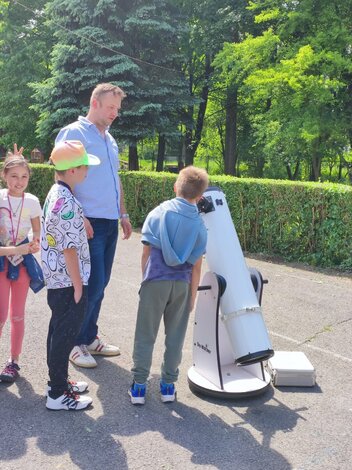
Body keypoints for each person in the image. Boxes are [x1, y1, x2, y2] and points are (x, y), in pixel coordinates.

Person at [55, 83, 133, 368]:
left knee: (101, 283)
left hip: (109, 221)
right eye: (111, 107)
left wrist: (122, 214)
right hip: (87, 222)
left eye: (118, 109)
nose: (115, 113)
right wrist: (78, 215)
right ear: (95, 102)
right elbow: (62, 177)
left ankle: (89, 337)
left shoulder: (110, 140)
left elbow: (115, 179)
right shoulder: (74, 133)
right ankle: (73, 343)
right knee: (89, 284)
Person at [129, 166, 209, 405]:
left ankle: (139, 387)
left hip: (155, 281)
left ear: (176, 187)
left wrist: (146, 279)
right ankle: (167, 386)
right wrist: (192, 296)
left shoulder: (158, 213)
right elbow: (196, 266)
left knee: (145, 334)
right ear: (200, 196)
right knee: (175, 336)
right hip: (182, 285)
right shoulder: (200, 226)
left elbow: (146, 253)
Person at [41, 140, 100, 411]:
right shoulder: (65, 201)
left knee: (58, 331)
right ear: (73, 170)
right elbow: (69, 248)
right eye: (84, 165)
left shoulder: (57, 193)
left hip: (58, 278)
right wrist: (78, 285)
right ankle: (57, 394)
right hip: (67, 280)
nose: (87, 170)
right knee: (65, 333)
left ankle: (59, 382)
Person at [0, 154, 44, 383]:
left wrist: (34, 243)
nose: (19, 181)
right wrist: (18, 250)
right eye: (14, 176)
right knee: (0, 315)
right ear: (4, 175)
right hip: (3, 261)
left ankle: (13, 361)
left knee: (17, 315)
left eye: (24, 176)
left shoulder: (32, 201)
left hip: (22, 265)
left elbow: (37, 232)